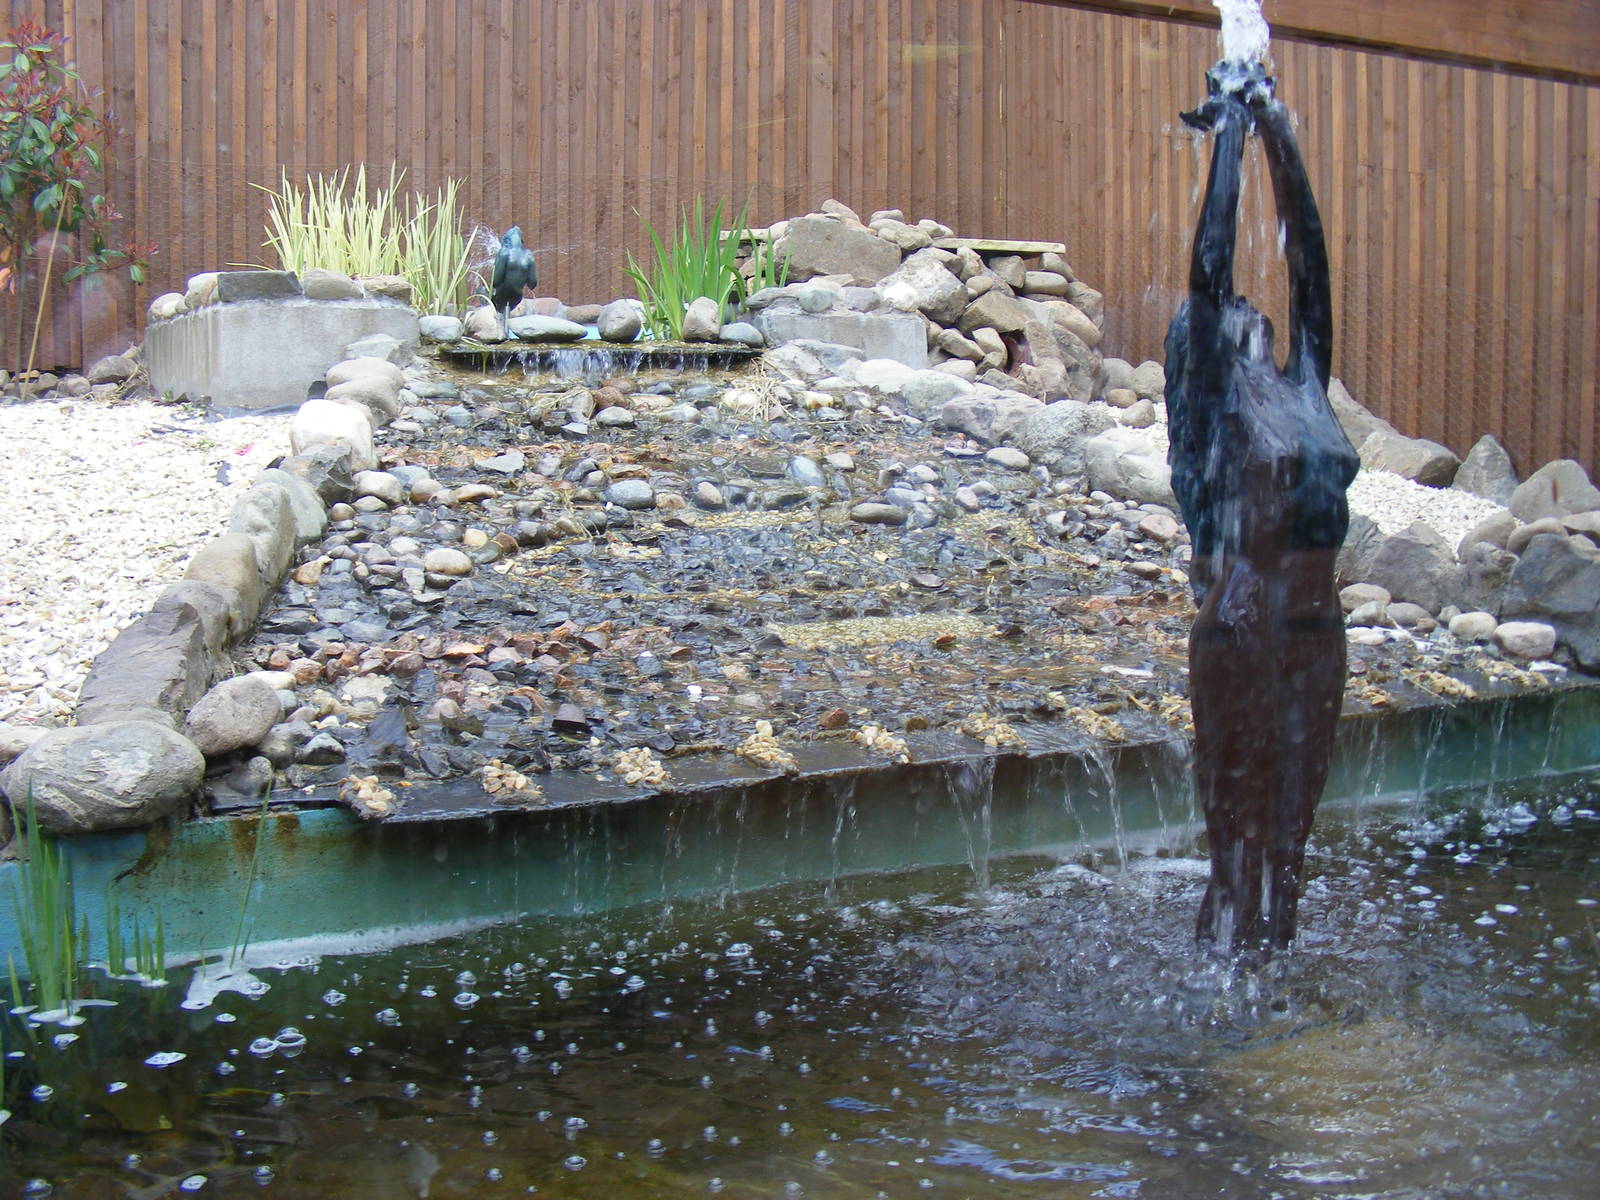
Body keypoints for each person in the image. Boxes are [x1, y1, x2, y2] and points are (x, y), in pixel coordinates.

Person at [1163, 64, 1360, 960]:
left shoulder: (1305, 385)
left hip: (1318, 626)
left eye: (1253, 304)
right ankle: (1216, 997)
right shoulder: (1219, 396)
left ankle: (1276, 981)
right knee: (1237, 844)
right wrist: (1230, 138)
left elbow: (1309, 259)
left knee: (1293, 840)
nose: (1251, 306)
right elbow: (1209, 265)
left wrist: (1280, 129)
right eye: (1235, 308)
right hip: (1241, 626)